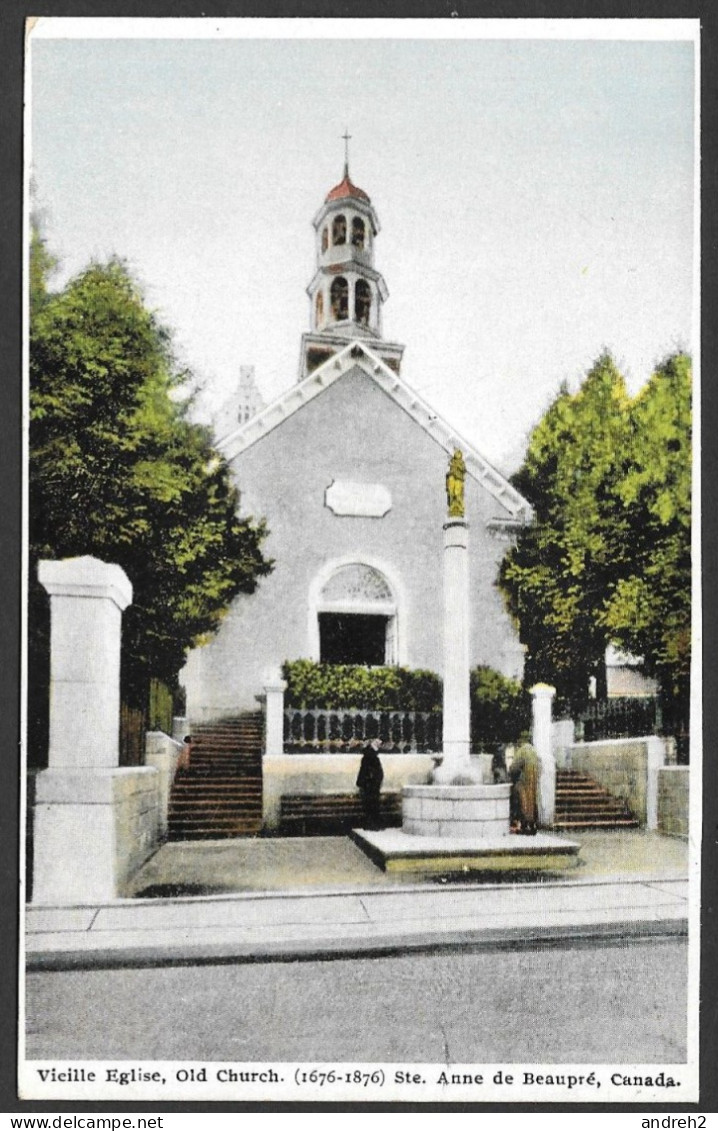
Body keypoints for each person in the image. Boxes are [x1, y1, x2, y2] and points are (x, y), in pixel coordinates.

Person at [509, 738, 539, 835]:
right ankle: (532, 825)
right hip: (533, 782)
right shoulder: (534, 751)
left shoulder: (521, 751)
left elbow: (514, 768)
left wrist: (511, 775)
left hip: (523, 782)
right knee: (532, 802)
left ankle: (524, 825)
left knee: (523, 803)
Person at [356, 739, 384, 829]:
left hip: (368, 784)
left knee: (369, 806)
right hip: (372, 785)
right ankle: (374, 824)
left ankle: (371, 824)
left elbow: (362, 771)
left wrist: (360, 783)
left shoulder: (366, 758)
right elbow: (379, 773)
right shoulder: (373, 758)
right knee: (374, 805)